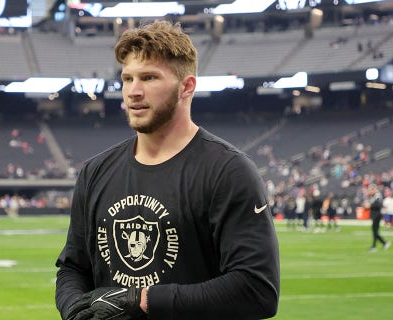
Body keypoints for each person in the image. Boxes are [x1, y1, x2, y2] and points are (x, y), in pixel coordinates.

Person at [55, 20, 280, 320]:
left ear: (186, 87)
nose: (133, 91)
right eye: (127, 79)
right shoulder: (95, 172)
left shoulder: (228, 171)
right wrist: (74, 308)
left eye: (149, 78)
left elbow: (257, 289)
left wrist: (145, 300)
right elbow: (73, 268)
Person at [365, 184, 390, 252]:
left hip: (377, 215)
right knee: (375, 231)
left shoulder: (377, 196)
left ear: (374, 189)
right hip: (375, 215)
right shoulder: (373, 196)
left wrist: (370, 206)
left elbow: (378, 204)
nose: (369, 191)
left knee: (375, 231)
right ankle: (382, 244)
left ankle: (376, 246)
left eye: (370, 190)